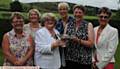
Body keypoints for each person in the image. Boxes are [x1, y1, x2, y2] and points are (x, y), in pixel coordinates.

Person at [63, 5, 94, 69]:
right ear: (73, 13)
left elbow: (91, 44)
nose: (77, 14)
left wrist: (77, 40)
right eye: (76, 12)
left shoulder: (88, 25)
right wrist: (63, 39)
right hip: (70, 58)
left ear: (83, 14)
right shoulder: (68, 24)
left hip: (84, 59)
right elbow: (64, 40)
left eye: (80, 12)